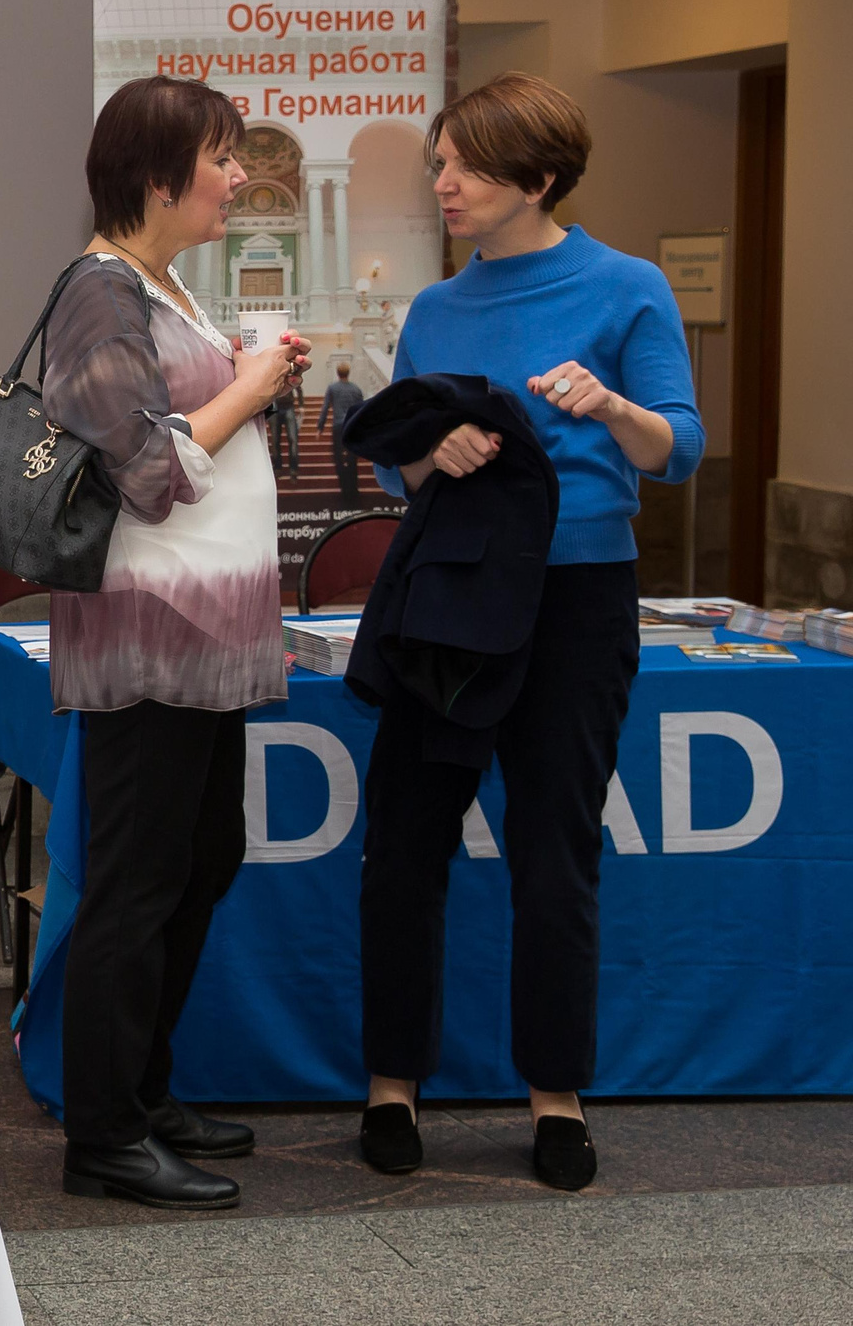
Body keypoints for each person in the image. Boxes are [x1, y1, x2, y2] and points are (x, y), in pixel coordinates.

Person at [355, 73, 701, 1192]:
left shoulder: (627, 288)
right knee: (404, 850)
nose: (442, 184)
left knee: (554, 857)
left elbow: (676, 451)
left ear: (537, 179)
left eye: (461, 165)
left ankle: (556, 1098)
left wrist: (607, 406)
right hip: (448, 603)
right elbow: (397, 452)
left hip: (574, 604)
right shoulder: (435, 309)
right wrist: (430, 455)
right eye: (439, 163)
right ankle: (390, 1089)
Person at [44, 76, 307, 1211]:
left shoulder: (166, 288)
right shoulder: (98, 292)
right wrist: (249, 388)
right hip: (149, 632)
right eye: (220, 157)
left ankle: (144, 1094)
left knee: (197, 866)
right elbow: (143, 471)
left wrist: (260, 385)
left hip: (211, 633)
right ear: (156, 175)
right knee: (138, 883)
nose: (238, 176)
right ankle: (103, 1134)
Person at [318, 361, 367, 501]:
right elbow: (361, 410)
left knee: (338, 458)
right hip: (351, 426)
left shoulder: (333, 388)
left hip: (338, 425)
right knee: (352, 458)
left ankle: (344, 488)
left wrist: (320, 427)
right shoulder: (356, 389)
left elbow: (326, 407)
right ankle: (353, 489)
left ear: (338, 373)